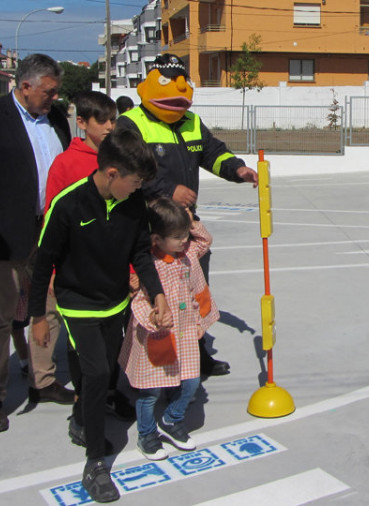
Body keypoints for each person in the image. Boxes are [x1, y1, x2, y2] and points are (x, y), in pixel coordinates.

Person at [29, 129, 171, 503]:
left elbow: (141, 253)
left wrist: (157, 292)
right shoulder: (68, 205)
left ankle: (81, 420)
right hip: (77, 304)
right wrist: (37, 318)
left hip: (115, 305)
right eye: (135, 181)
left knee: (104, 371)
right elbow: (43, 263)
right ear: (111, 173)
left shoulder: (133, 204)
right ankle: (94, 464)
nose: (138, 188)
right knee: (95, 372)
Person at [116, 53, 258, 378]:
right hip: (147, 231)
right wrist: (168, 190)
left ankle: (197, 354)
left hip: (185, 232)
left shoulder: (191, 121)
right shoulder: (131, 123)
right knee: (153, 302)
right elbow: (128, 166)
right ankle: (154, 371)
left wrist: (238, 170)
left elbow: (213, 152)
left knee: (195, 295)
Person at [0, 53, 74, 434]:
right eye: (49, 91)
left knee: (51, 309)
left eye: (56, 92)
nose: (54, 98)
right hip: (5, 238)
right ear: (25, 86)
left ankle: (42, 380)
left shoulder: (56, 119)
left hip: (51, 234)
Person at [45, 90, 137, 435]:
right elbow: (51, 222)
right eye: (104, 120)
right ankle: (83, 410)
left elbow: (129, 223)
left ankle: (110, 394)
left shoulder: (121, 159)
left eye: (114, 119)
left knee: (114, 340)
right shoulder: (65, 164)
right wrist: (54, 270)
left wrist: (132, 269)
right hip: (79, 275)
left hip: (114, 273)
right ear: (81, 122)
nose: (111, 126)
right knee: (82, 347)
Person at [120, 197, 219, 461]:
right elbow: (139, 302)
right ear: (155, 239)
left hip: (185, 333)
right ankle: (147, 435)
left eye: (185, 235)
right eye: (177, 237)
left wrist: (192, 221)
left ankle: (173, 418)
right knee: (150, 391)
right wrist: (153, 319)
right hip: (158, 336)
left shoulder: (186, 254)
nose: (184, 241)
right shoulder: (149, 266)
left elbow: (205, 242)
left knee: (191, 383)